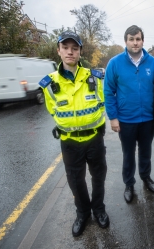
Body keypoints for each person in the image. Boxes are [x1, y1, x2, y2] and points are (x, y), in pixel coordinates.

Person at [38, 31, 109, 237]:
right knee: (76, 181)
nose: (70, 52)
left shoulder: (94, 77)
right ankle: (83, 213)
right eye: (66, 47)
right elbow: (53, 111)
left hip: (95, 138)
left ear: (80, 52)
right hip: (69, 143)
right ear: (58, 50)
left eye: (74, 48)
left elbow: (104, 103)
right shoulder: (48, 83)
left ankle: (99, 210)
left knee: (98, 177)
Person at [104, 25, 154, 203]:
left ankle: (146, 177)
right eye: (131, 39)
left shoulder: (153, 63)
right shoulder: (115, 63)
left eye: (138, 39)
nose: (135, 43)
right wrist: (113, 117)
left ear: (143, 41)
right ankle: (129, 183)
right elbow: (108, 91)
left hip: (147, 119)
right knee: (128, 154)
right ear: (126, 41)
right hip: (126, 120)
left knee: (146, 152)